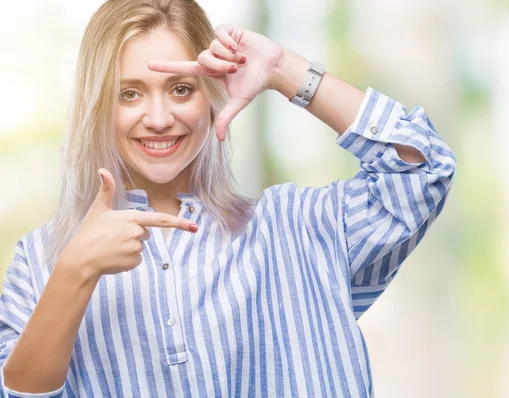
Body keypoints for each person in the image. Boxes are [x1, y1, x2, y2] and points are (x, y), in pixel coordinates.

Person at [0, 0, 456, 397]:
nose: (159, 118)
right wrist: (76, 272)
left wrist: (283, 70)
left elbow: (422, 169)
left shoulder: (298, 230)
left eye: (181, 89)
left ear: (212, 95)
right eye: (130, 93)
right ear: (96, 104)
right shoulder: (43, 262)